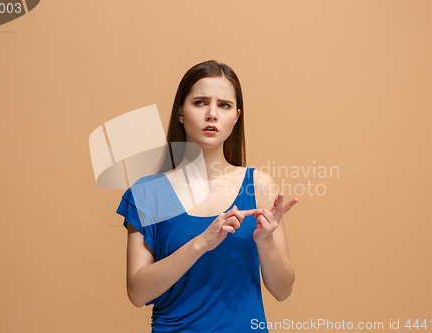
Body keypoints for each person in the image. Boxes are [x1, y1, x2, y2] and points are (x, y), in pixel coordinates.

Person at [116, 60, 299, 332]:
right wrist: (202, 242)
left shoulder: (258, 185)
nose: (212, 114)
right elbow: (138, 293)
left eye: (224, 105)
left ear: (236, 117)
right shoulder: (146, 194)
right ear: (180, 112)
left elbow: (283, 290)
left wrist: (265, 242)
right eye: (200, 102)